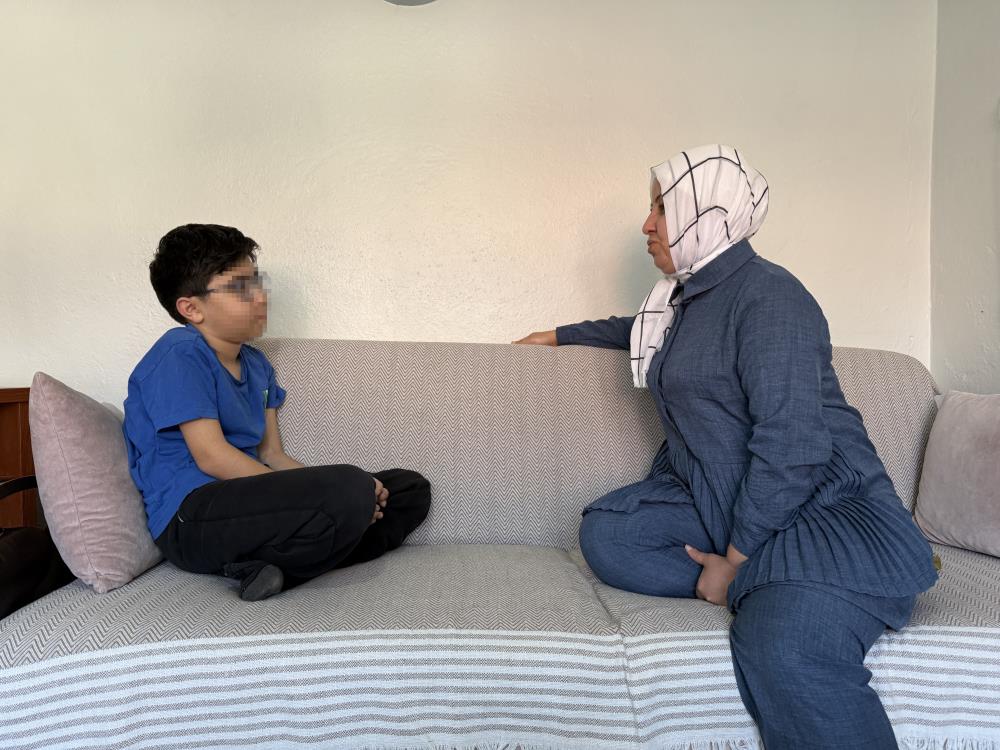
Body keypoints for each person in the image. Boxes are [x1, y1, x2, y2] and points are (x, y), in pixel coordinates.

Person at [514, 145, 937, 749]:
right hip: (718, 496)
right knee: (611, 535)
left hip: (817, 509)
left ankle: (793, 581)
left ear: (705, 213)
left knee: (783, 648)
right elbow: (640, 332)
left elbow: (794, 448)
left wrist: (734, 563)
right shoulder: (680, 303)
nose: (647, 224)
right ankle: (758, 577)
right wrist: (559, 335)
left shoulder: (771, 298)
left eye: (663, 208)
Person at [123, 224, 431, 601]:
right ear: (192, 308)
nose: (259, 297)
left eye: (257, 282)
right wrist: (329, 495)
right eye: (240, 288)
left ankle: (269, 567)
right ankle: (311, 547)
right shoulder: (181, 352)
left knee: (408, 489)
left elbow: (272, 454)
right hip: (191, 518)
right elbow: (212, 456)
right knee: (351, 488)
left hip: (251, 506)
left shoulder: (258, 366)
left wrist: (339, 493)